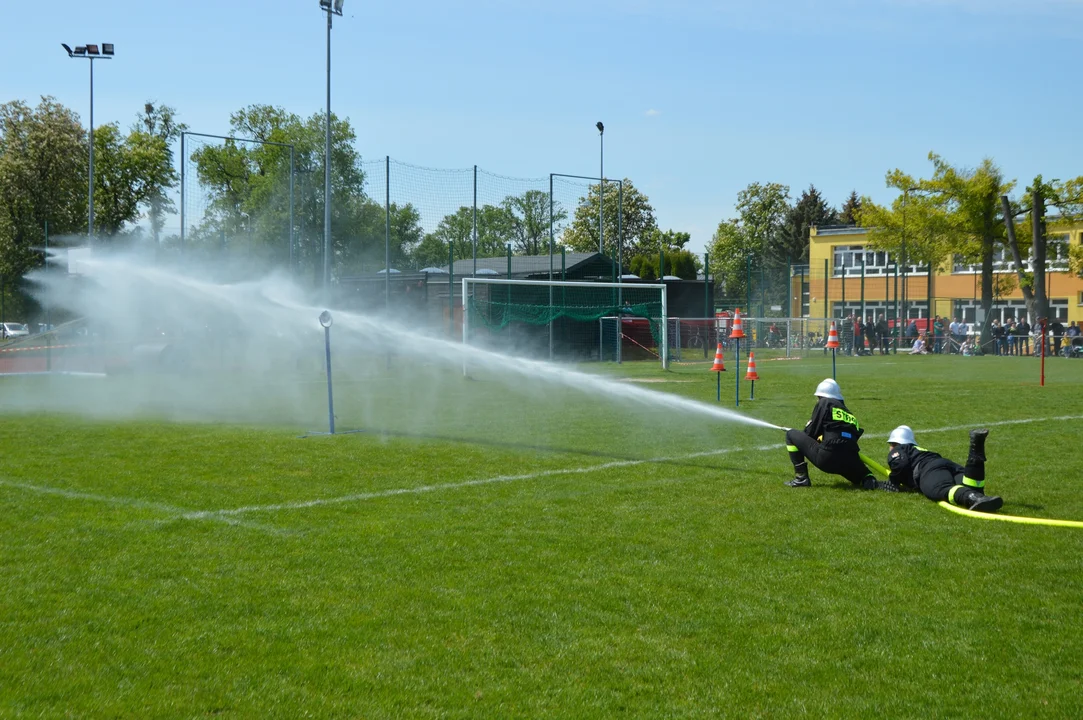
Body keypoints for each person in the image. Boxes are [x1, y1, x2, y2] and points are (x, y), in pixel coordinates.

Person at [784, 378, 883, 491]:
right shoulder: (850, 415)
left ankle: (801, 478)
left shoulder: (825, 402)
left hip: (828, 457)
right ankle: (868, 478)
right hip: (851, 459)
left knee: (790, 434)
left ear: (822, 396)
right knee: (864, 476)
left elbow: (810, 433)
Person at [885, 426, 1003, 512]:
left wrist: (893, 481)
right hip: (946, 464)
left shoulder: (899, 448)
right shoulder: (918, 449)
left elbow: (900, 464)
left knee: (939, 489)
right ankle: (975, 456)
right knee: (970, 484)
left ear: (893, 443)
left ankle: (973, 498)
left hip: (928, 468)